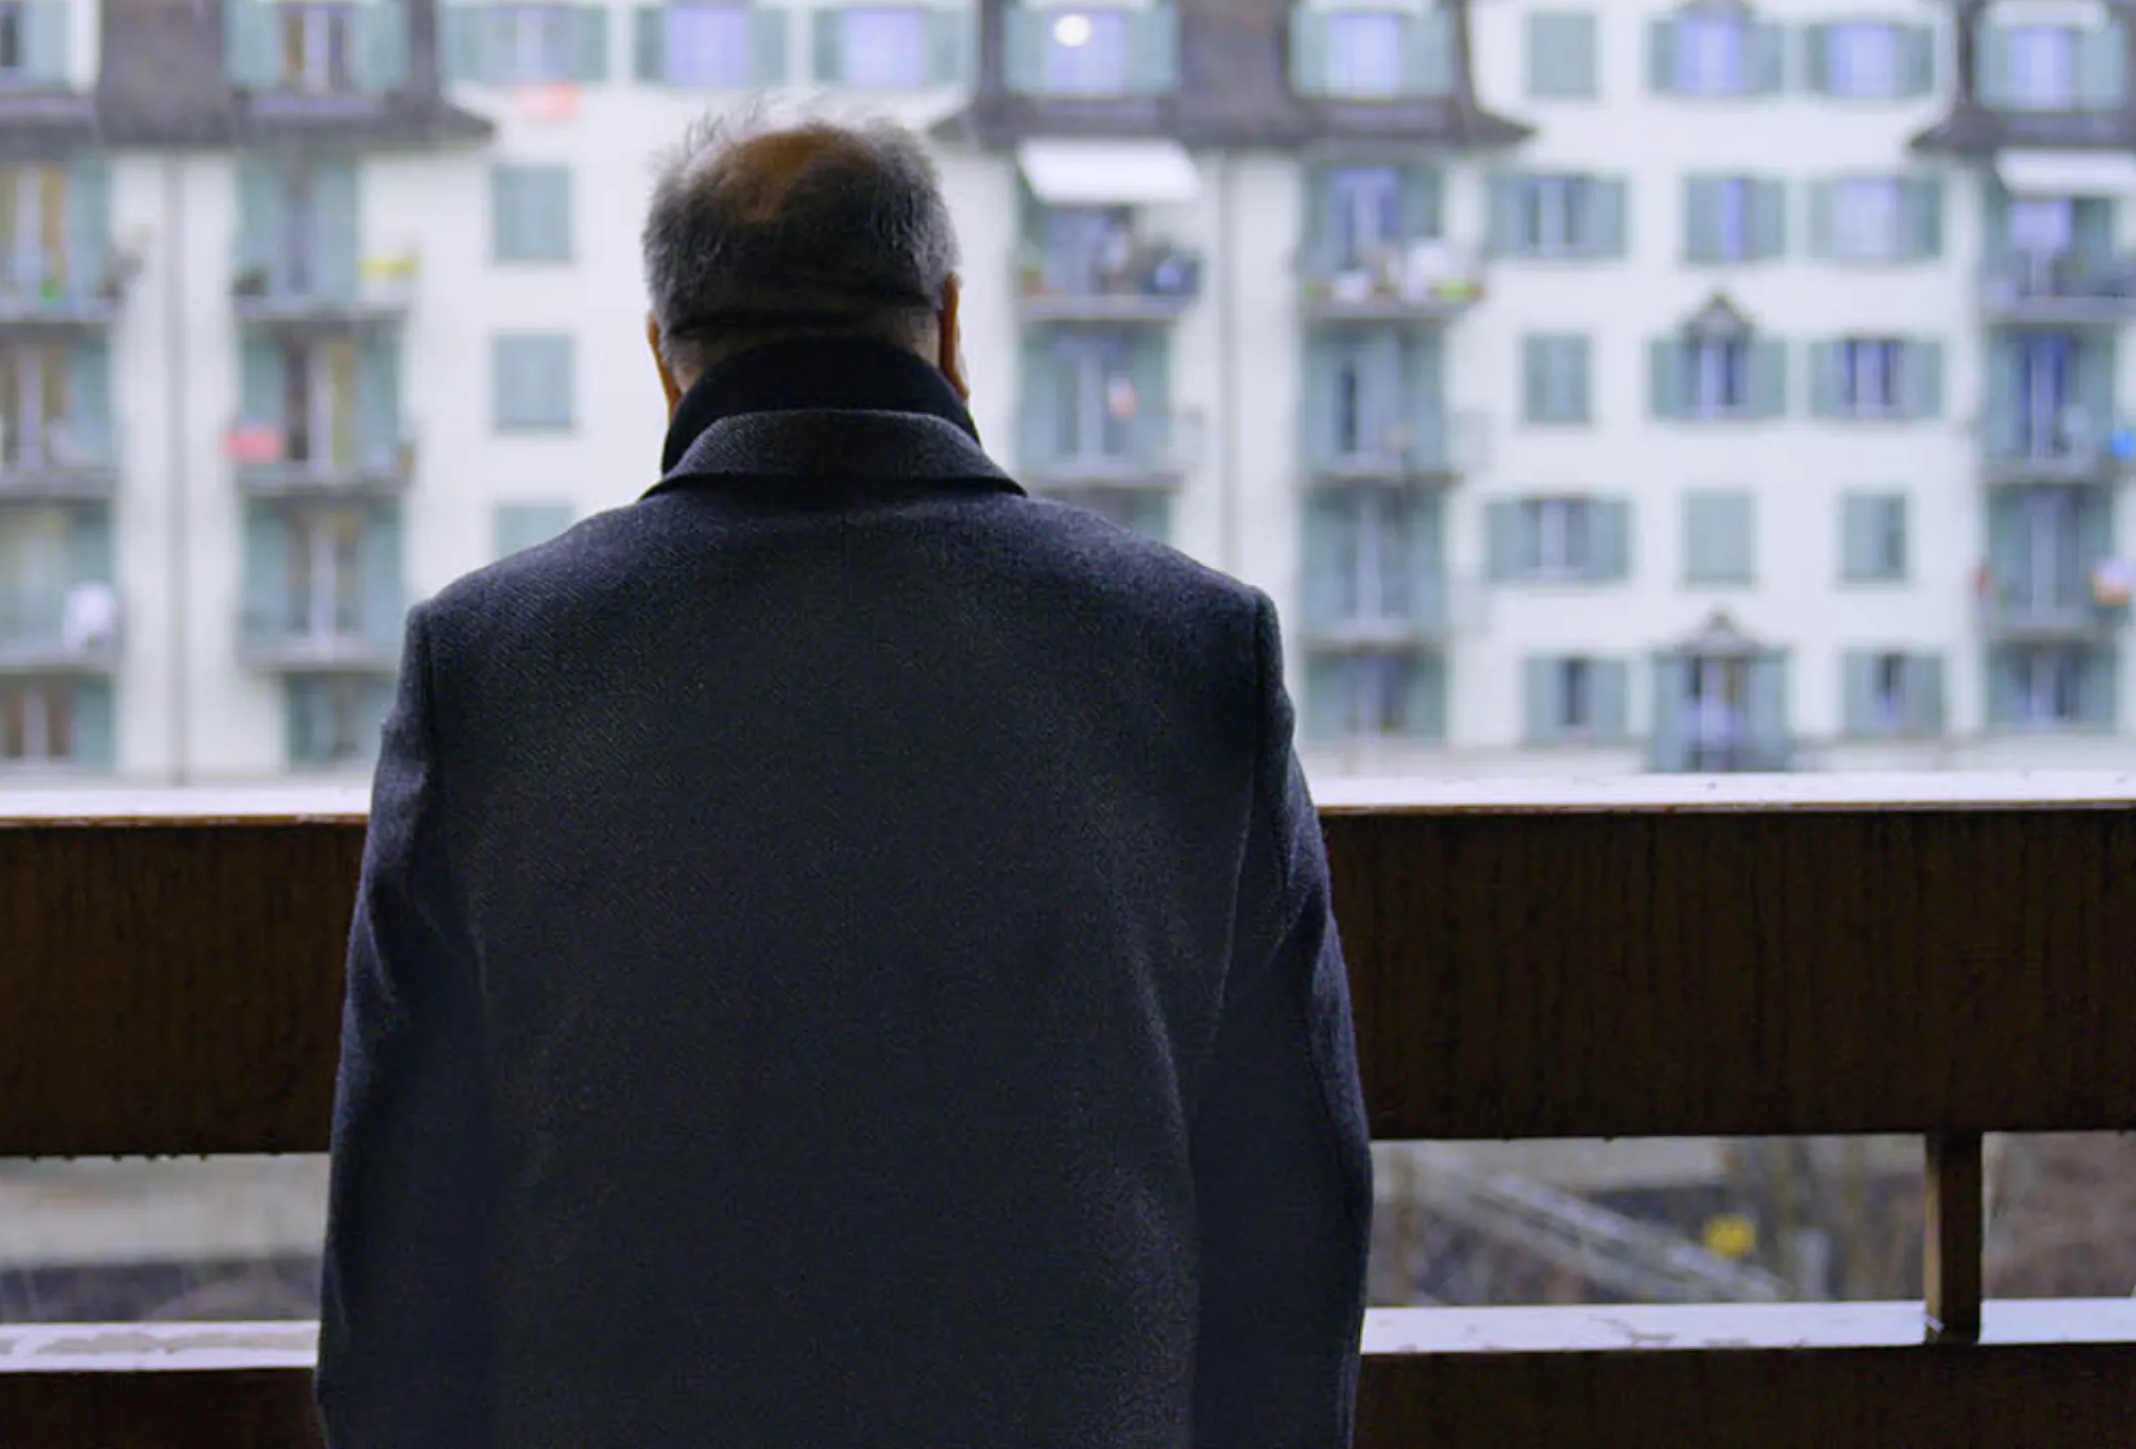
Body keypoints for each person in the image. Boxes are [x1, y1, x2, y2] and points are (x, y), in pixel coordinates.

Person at [317, 111, 1372, 1448]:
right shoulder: (1189, 648)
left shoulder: (493, 663)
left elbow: (402, 1231)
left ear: (663, 358)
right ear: (950, 324)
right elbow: (1295, 1202)